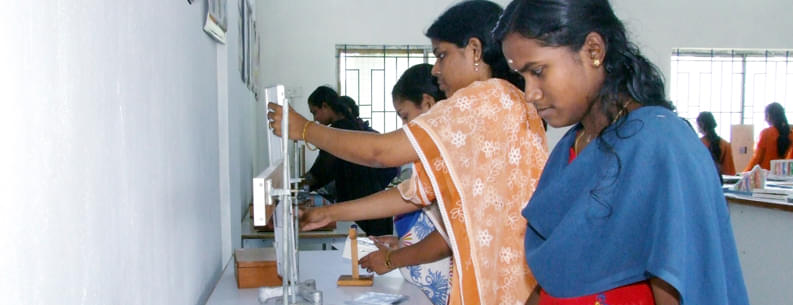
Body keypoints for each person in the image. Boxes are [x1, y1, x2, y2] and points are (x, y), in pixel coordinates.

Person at [268, 1, 548, 303]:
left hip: (497, 286)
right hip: (517, 283)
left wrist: (305, 130)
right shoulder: (509, 103)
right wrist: (328, 213)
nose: (436, 69)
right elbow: (411, 194)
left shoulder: (482, 99)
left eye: (442, 55)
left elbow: (380, 152)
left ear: (474, 51)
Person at [494, 0, 750, 304]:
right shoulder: (572, 146)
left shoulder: (662, 145)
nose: (530, 93)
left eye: (538, 71)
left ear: (593, 50)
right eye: (521, 77)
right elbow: (553, 278)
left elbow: (678, 281)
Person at [358, 63, 452, 305]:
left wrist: (392, 259)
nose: (404, 126)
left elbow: (446, 238)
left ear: (428, 104)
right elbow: (429, 224)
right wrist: (401, 242)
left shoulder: (451, 160)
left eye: (405, 116)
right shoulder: (429, 159)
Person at [302, 86, 397, 236]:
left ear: (325, 106)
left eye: (315, 112)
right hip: (375, 205)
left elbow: (320, 173)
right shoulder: (355, 125)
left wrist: (297, 186)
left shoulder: (337, 132)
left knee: (362, 248)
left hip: (360, 208)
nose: (315, 119)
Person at [744, 102, 793, 171]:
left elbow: (757, 159)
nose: (765, 119)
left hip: (765, 174)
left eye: (766, 116)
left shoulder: (766, 133)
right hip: (783, 175)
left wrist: (744, 173)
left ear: (769, 116)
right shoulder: (791, 135)